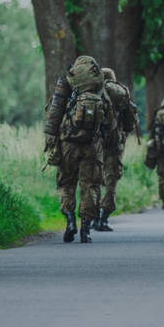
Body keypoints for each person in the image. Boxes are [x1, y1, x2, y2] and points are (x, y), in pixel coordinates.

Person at [44, 55, 114, 243]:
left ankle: (69, 221)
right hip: (92, 145)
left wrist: (51, 142)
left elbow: (54, 114)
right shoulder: (99, 87)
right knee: (90, 186)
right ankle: (86, 231)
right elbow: (110, 121)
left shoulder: (68, 83)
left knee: (66, 183)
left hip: (68, 143)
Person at [94, 68, 138, 232]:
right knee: (111, 180)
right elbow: (129, 123)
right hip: (115, 143)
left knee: (94, 179)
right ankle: (104, 218)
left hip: (95, 142)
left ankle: (93, 216)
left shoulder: (93, 91)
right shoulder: (121, 92)